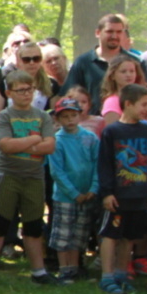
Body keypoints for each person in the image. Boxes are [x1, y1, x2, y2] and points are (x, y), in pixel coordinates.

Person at [0, 70, 57, 284]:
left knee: (33, 226)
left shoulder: (43, 116)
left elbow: (50, 146)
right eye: (21, 90)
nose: (26, 94)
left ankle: (39, 272)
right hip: (8, 176)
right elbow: (5, 145)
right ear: (9, 93)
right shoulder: (4, 116)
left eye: (30, 89)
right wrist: (35, 139)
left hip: (34, 177)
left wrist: (22, 144)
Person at [97, 83, 147, 294]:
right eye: (144, 105)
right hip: (118, 196)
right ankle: (107, 276)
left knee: (130, 236)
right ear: (128, 104)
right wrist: (107, 192)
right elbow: (105, 164)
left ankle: (121, 274)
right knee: (111, 234)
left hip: (140, 194)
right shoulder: (112, 131)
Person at [47, 96, 101, 283]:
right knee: (63, 234)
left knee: (80, 234)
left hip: (87, 194)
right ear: (57, 119)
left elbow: (98, 164)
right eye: (65, 116)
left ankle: (75, 267)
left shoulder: (90, 138)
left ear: (80, 115)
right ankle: (64, 269)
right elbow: (57, 171)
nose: (70, 120)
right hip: (65, 197)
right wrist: (73, 193)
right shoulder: (57, 140)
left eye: (73, 115)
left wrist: (94, 188)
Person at [64, 14, 128, 113]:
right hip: (91, 119)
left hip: (125, 120)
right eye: (109, 31)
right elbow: (69, 95)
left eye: (119, 32)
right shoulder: (83, 62)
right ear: (98, 33)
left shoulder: (133, 61)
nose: (114, 36)